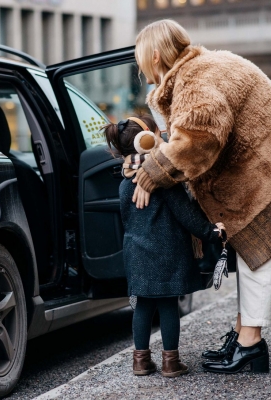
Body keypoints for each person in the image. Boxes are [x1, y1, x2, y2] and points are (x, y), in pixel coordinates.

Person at [132, 20, 271, 373]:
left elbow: (197, 138)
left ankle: (251, 345)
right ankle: (245, 334)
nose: (141, 69)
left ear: (154, 54)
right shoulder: (199, 69)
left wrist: (152, 173)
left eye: (140, 60)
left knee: (259, 258)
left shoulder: (198, 78)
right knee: (251, 256)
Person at [104, 114, 225, 377]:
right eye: (159, 134)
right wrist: (212, 232)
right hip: (167, 251)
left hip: (136, 252)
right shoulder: (164, 182)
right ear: (146, 141)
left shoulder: (125, 182)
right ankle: (171, 362)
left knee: (142, 305)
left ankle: (141, 361)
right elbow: (186, 215)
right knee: (169, 305)